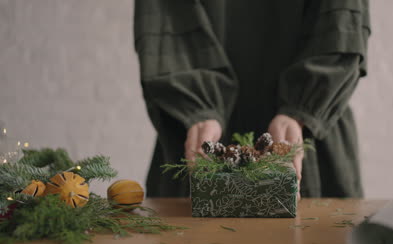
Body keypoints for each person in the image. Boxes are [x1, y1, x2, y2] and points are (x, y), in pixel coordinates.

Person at [134, 0, 370, 198]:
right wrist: (198, 108)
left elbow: (342, 23)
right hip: (200, 140)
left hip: (305, 139)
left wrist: (300, 110)